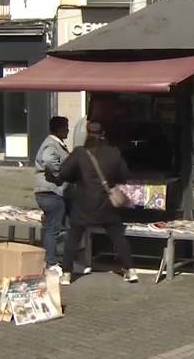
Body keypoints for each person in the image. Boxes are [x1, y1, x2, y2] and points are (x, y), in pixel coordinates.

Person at [58, 121, 138, 285]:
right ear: (104, 134)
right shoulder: (113, 152)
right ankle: (130, 270)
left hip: (83, 203)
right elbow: (124, 175)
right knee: (118, 235)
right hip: (106, 203)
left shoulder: (80, 152)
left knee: (73, 237)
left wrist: (77, 178)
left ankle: (66, 273)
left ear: (87, 134)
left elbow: (64, 173)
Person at [34, 116, 72, 275]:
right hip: (50, 192)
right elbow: (48, 161)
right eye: (66, 127)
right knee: (53, 228)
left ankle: (62, 260)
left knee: (60, 227)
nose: (68, 130)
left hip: (54, 193)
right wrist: (60, 175)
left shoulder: (57, 144)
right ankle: (51, 262)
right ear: (58, 129)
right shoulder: (51, 144)